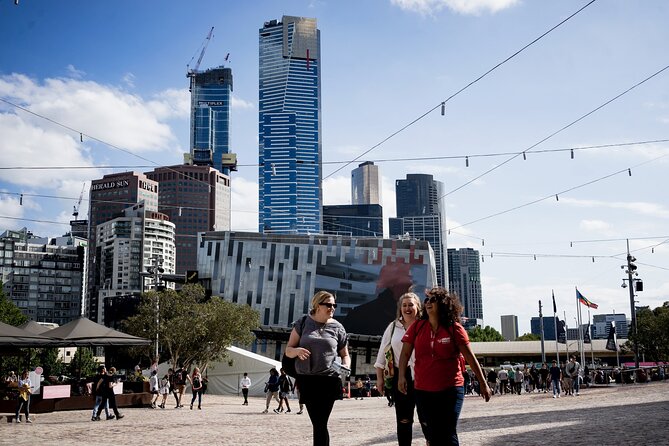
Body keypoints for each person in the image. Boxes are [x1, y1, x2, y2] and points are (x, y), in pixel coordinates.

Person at [399, 287, 491, 446]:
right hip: (423, 390)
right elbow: (405, 354)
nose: (428, 303)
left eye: (432, 300)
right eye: (426, 300)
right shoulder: (417, 327)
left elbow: (470, 357)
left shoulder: (455, 328)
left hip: (451, 389)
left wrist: (483, 383)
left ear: (443, 304)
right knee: (433, 434)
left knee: (447, 431)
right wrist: (401, 376)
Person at [285, 290, 350, 446]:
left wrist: (346, 365)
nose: (332, 308)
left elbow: (345, 354)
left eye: (334, 305)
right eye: (328, 304)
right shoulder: (303, 323)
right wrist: (297, 351)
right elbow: (288, 350)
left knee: (320, 423)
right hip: (308, 380)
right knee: (318, 423)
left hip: (329, 380)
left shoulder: (338, 328)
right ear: (317, 305)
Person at [374, 291, 423, 446]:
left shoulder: (424, 325)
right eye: (404, 305)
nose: (407, 308)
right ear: (400, 308)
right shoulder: (393, 327)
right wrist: (380, 378)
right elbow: (382, 353)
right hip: (400, 377)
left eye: (411, 305)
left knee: (426, 417)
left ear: (418, 307)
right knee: (403, 418)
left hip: (424, 376)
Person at [342, 261, 414, 335]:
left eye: (410, 277)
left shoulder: (417, 315)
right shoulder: (358, 317)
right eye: (407, 277)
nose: (411, 282)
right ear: (391, 283)